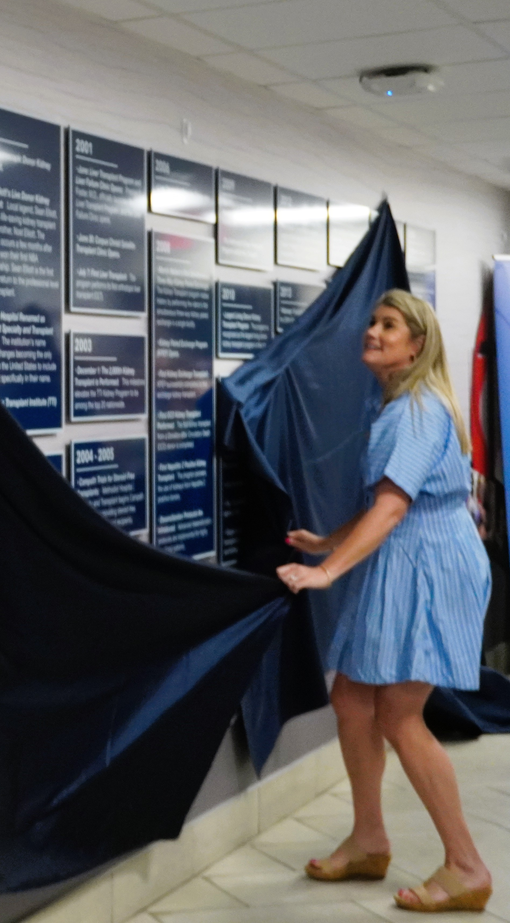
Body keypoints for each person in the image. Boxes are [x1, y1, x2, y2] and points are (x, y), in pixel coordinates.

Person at [278, 289, 492, 913]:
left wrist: (326, 573)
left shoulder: (420, 410)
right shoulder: (396, 404)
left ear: (416, 345)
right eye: (372, 321)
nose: (373, 331)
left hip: (432, 565)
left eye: (389, 324)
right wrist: (328, 542)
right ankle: (369, 837)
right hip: (407, 556)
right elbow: (389, 505)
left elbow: (396, 508)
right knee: (351, 697)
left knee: (400, 714)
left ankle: (466, 866)